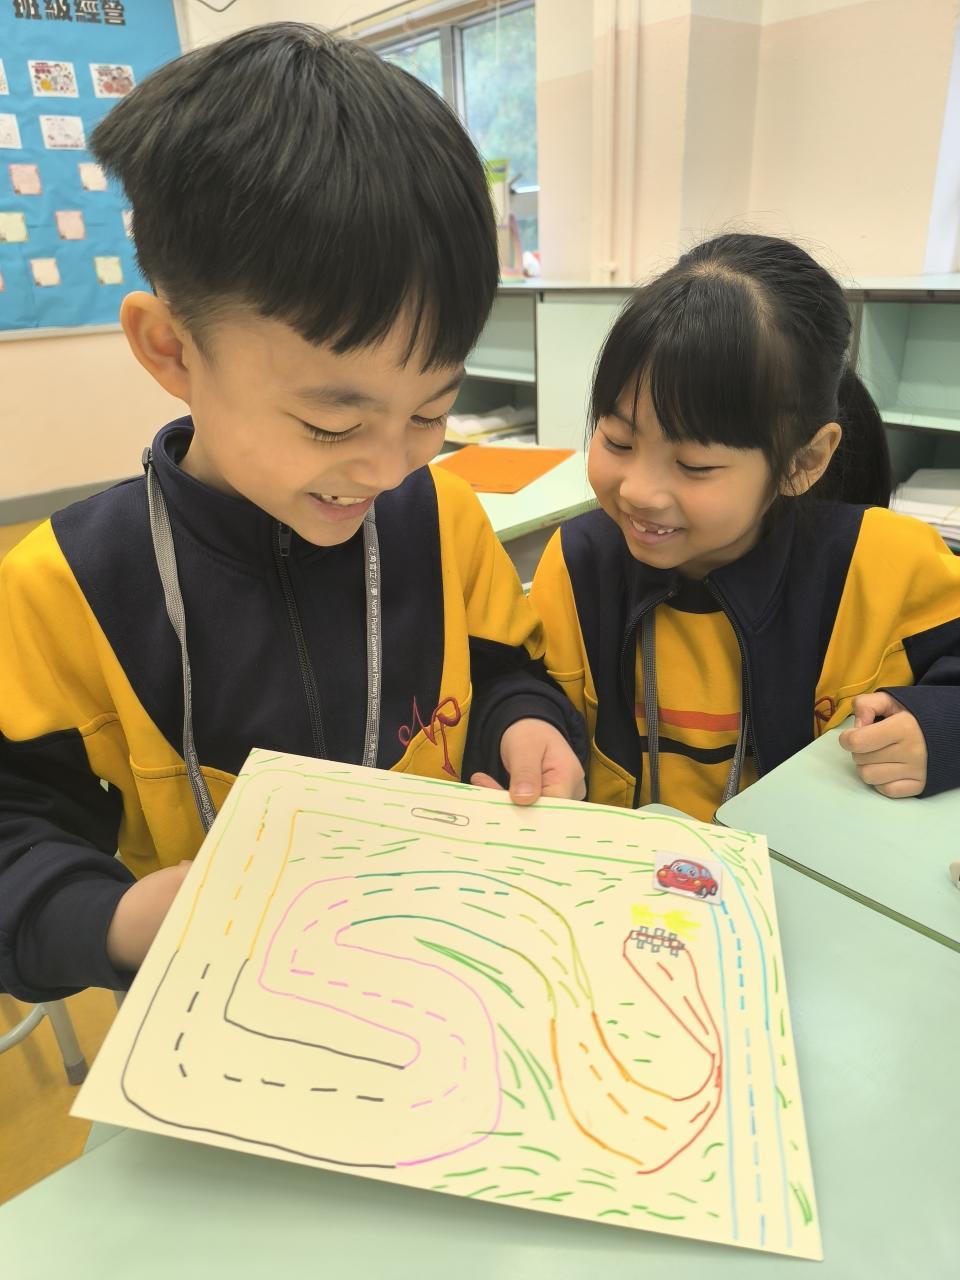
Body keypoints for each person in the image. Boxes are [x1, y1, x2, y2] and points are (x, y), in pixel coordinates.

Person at [0, 24, 586, 1005]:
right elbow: (16, 827)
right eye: (331, 422)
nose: (389, 465)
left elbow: (503, 670)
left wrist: (526, 725)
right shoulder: (66, 589)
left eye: (431, 410)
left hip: (442, 976)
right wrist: (118, 920)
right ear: (172, 350)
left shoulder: (441, 519)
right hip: (219, 1009)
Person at [531, 232, 960, 821]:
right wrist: (525, 724)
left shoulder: (887, 564)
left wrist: (939, 729)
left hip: (801, 863)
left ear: (803, 462)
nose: (637, 492)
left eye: (694, 465)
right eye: (618, 440)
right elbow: (529, 688)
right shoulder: (578, 563)